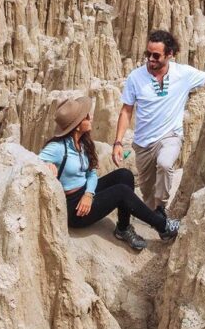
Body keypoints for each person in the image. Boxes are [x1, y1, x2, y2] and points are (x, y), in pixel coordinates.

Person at [112, 30, 205, 214]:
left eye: (156, 55)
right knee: (147, 190)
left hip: (170, 135)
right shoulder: (135, 77)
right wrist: (118, 142)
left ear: (169, 54)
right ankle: (154, 216)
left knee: (165, 164)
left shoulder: (183, 73)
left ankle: (161, 208)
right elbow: (126, 111)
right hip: (143, 143)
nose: (150, 59)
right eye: (148, 54)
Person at [39, 95, 180, 251]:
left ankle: (123, 228)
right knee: (121, 192)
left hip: (84, 193)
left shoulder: (82, 143)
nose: (91, 118)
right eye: (86, 117)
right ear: (77, 126)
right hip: (73, 209)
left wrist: (89, 194)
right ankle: (163, 226)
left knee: (124, 175)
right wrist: (46, 165)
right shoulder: (58, 148)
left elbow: (92, 172)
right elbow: (32, 163)